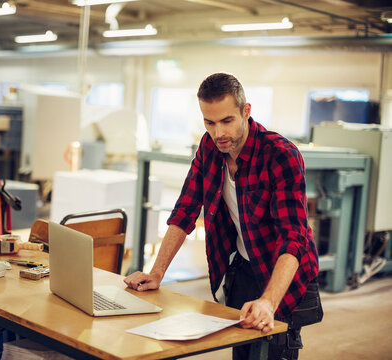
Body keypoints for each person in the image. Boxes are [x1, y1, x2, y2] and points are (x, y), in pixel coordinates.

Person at [124, 73, 322, 360]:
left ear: (246, 111)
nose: (218, 133)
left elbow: (294, 238)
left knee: (272, 351)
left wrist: (268, 301)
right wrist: (157, 274)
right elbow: (184, 212)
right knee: (241, 352)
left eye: (227, 121)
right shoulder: (209, 148)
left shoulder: (280, 155)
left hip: (282, 272)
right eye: (209, 122)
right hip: (243, 269)